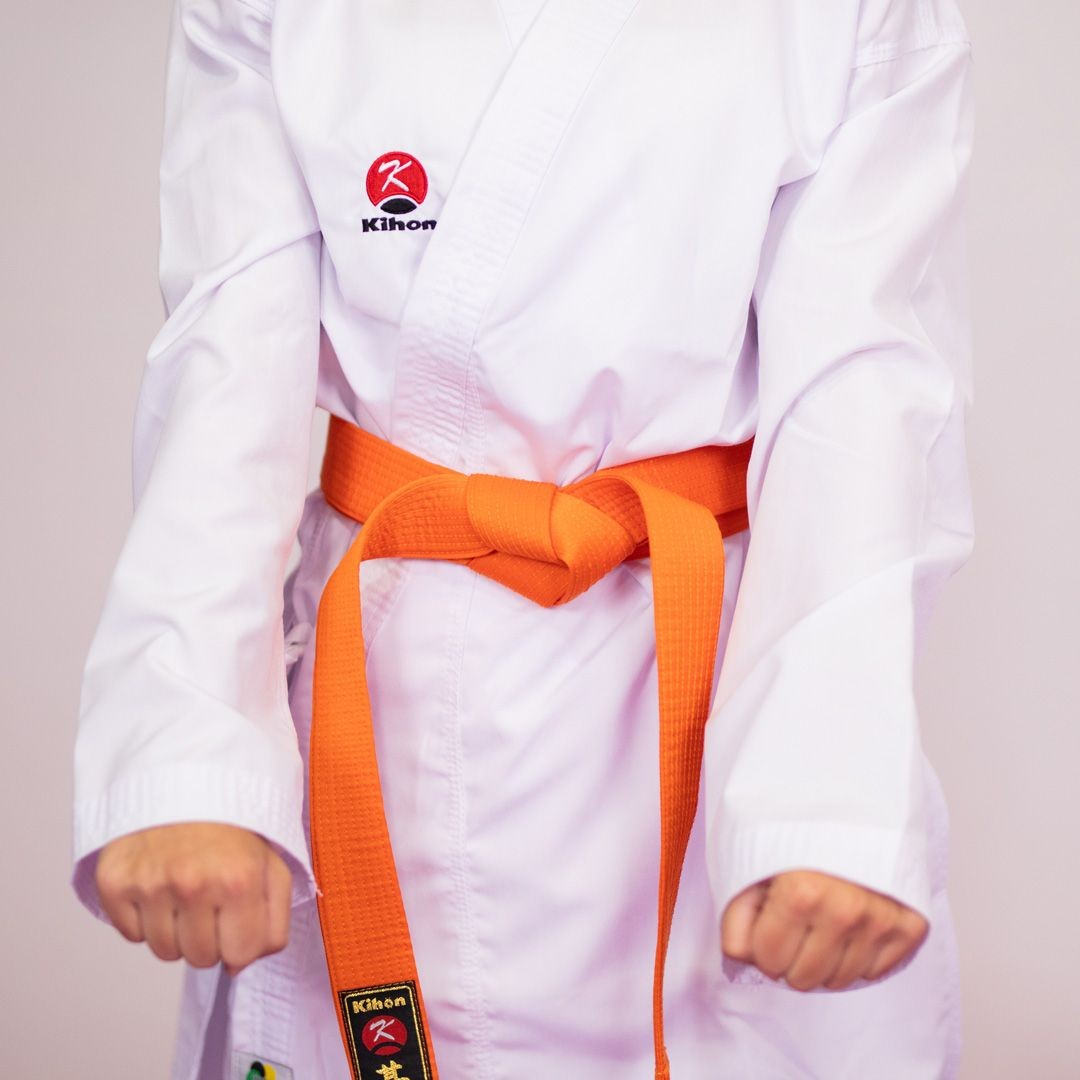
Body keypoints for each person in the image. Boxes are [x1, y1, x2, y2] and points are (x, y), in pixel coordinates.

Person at [71, 0, 976, 1077]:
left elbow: (862, 406)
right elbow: (222, 374)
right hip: (385, 718)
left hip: (709, 704)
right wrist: (189, 747)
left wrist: (828, 801)